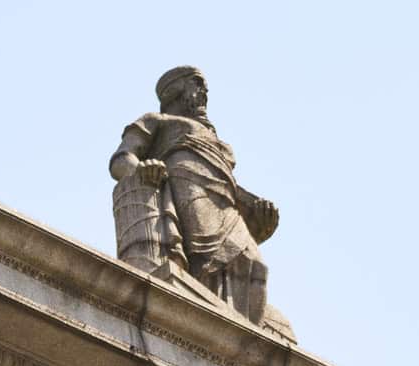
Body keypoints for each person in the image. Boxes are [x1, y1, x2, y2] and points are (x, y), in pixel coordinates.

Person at [109, 67, 290, 337]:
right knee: (207, 262)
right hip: (189, 194)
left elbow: (230, 186)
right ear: (175, 91)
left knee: (254, 265)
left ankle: (241, 338)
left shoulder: (215, 140)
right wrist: (142, 170)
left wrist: (257, 213)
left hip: (225, 207)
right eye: (197, 85)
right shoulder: (158, 121)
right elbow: (120, 160)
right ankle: (204, 329)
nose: (204, 93)